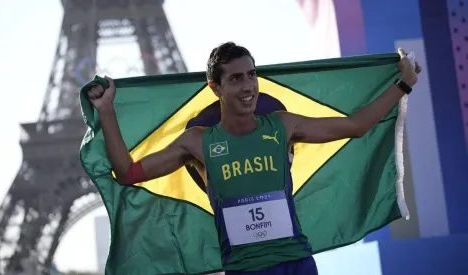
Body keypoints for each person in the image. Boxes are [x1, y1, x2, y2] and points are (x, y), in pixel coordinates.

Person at [87, 42, 421, 275]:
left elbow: (357, 126)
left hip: (297, 263)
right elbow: (127, 172)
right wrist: (106, 111)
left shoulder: (282, 126)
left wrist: (403, 85)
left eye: (251, 75)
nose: (248, 85)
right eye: (235, 78)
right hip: (245, 269)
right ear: (215, 87)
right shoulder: (198, 143)